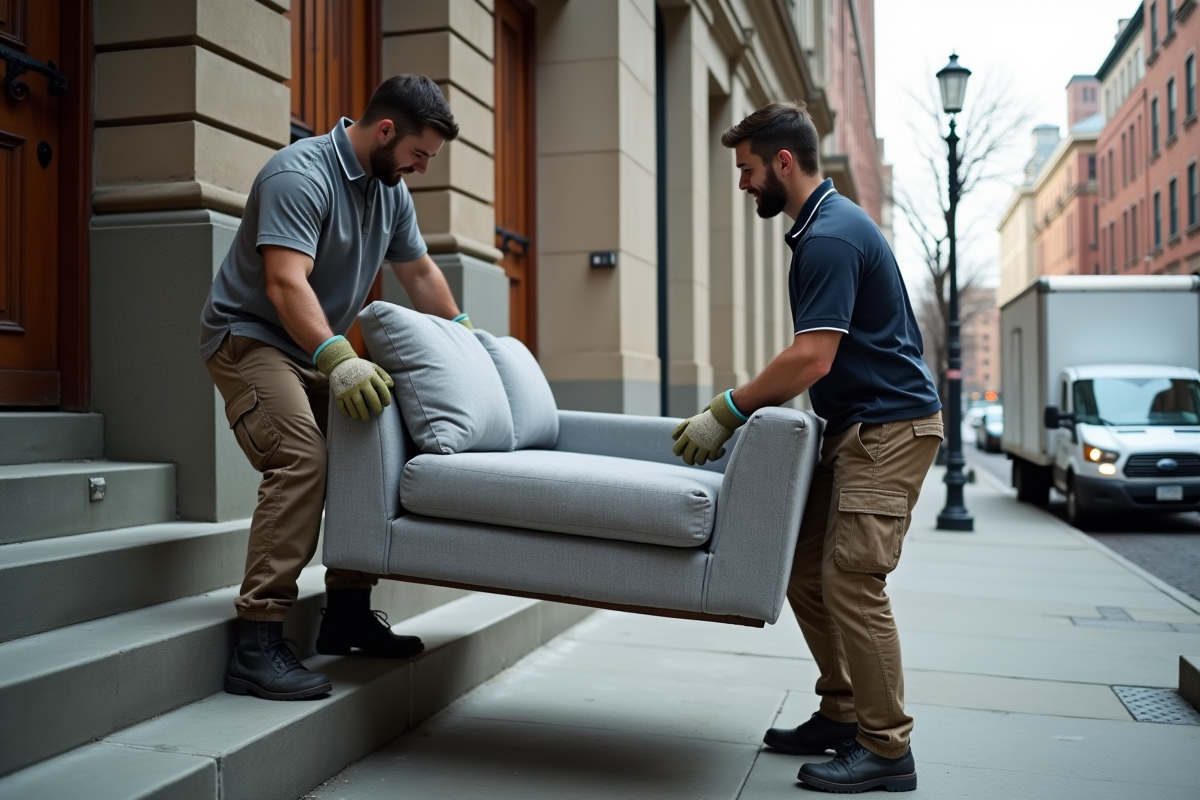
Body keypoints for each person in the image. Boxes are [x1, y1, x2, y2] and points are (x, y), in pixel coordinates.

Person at [671, 101, 943, 794]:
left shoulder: (830, 237)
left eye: (747, 169)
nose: (743, 183)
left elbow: (812, 358)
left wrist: (727, 411)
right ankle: (844, 711)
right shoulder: (824, 227)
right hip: (859, 428)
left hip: (889, 429)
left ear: (782, 163)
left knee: (855, 579)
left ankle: (887, 749)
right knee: (801, 568)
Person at [199, 74, 473, 701]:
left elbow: (420, 271)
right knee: (301, 457)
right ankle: (257, 639)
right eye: (420, 154)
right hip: (251, 339)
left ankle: (347, 613)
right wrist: (340, 358)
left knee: (366, 455)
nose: (423, 168)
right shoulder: (299, 175)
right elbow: (284, 284)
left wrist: (464, 336)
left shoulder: (389, 188)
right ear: (385, 131)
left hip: (317, 348)